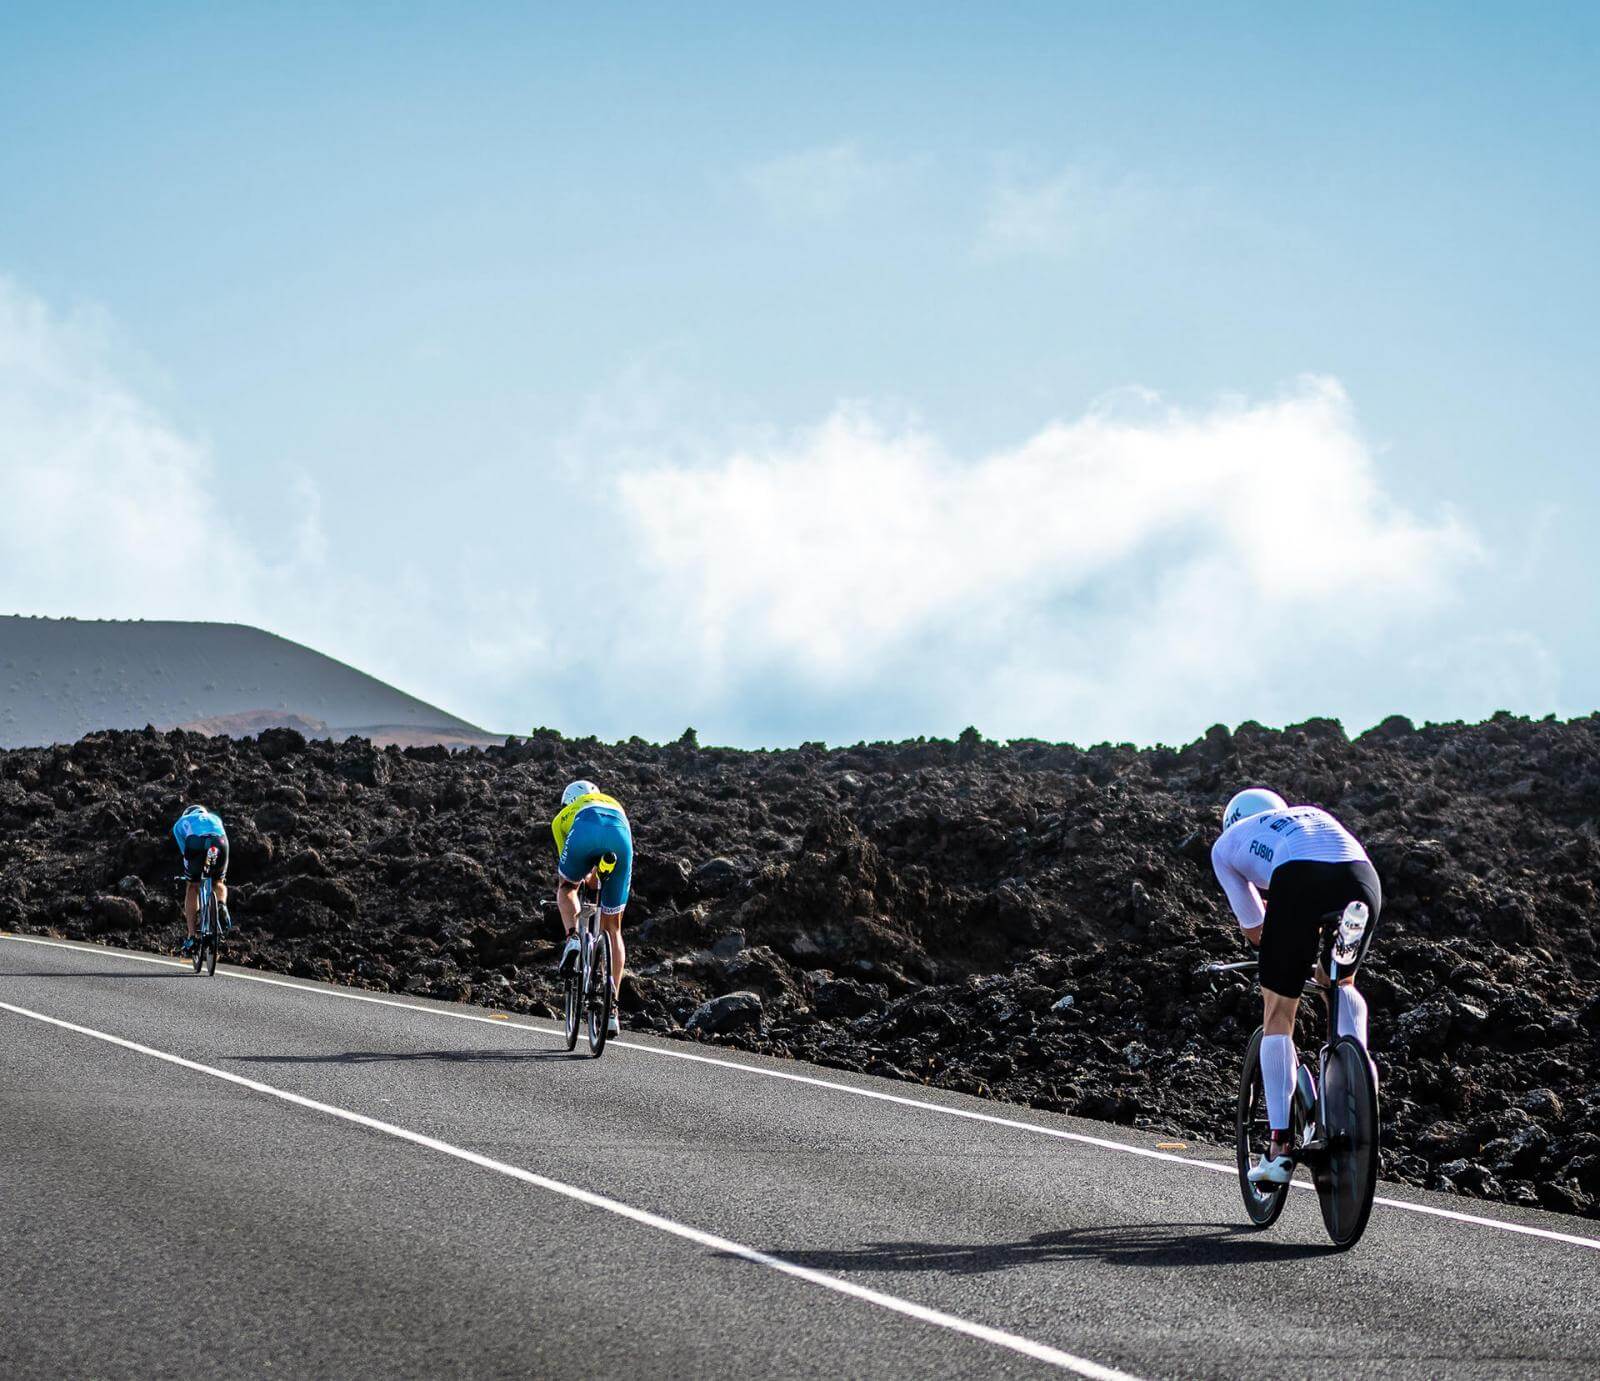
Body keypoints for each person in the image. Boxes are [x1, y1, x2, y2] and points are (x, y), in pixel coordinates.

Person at [1211, 787, 1382, 1185]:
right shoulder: (1307, 815)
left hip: (1299, 879)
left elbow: (1255, 931)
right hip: (1361, 876)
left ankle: (1278, 1148)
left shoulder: (1226, 845)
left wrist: (1283, 933)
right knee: (1337, 981)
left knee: (1278, 1012)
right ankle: (1361, 1099)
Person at [550, 780, 633, 1038]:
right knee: (613, 927)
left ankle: (573, 937)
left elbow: (574, 874)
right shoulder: (614, 802)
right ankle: (612, 1011)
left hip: (584, 828)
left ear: (568, 802)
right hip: (620, 831)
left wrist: (584, 879)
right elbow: (597, 873)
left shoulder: (562, 817)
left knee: (567, 888)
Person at [173, 804, 232, 955]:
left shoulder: (181, 821)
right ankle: (221, 905)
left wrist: (191, 876)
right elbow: (223, 835)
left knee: (192, 886)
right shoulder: (215, 818)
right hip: (221, 843)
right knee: (218, 882)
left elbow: (184, 851)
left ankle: (192, 937)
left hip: (196, 844)